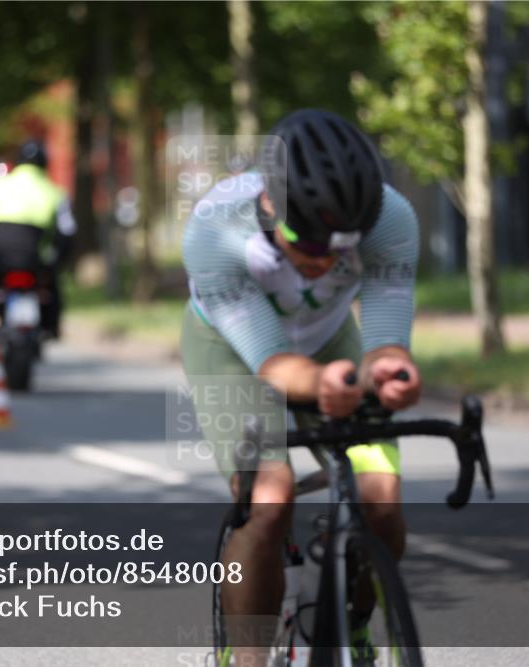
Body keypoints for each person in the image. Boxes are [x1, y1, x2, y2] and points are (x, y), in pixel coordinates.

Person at [180, 109, 422, 662]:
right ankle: (245, 658)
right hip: (232, 351)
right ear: (270, 205)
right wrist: (320, 384)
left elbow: (386, 341)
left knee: (382, 499)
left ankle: (354, 627)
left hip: (330, 339)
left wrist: (392, 373)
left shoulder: (392, 220)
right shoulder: (214, 234)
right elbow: (270, 362)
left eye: (341, 250)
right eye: (308, 246)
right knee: (269, 499)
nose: (324, 264)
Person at [0, 140, 76, 340]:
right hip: (33, 258)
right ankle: (51, 326)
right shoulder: (55, 193)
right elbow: (67, 232)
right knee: (51, 287)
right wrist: (56, 262)